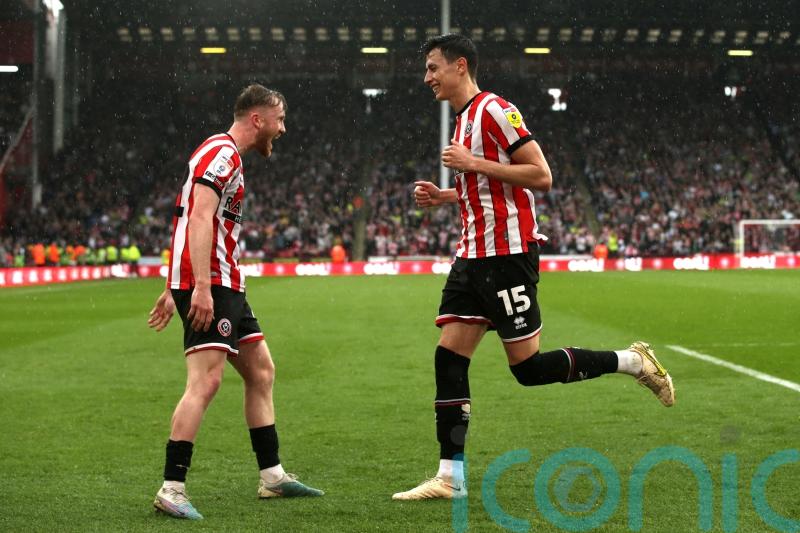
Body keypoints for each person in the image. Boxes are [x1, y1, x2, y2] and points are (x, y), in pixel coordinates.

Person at [392, 35, 675, 501]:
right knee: (448, 358)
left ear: (460, 66)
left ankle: (632, 361)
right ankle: (449, 479)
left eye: (432, 67)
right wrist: (447, 195)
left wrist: (472, 162)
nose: (427, 77)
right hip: (471, 257)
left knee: (528, 369)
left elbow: (541, 175)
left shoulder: (495, 111)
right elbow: (486, 187)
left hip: (506, 258)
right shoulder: (462, 122)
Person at [147, 84, 324, 520]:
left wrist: (176, 285)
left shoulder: (223, 155)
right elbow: (201, 217)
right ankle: (172, 488)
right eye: (279, 119)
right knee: (205, 382)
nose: (283, 129)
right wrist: (198, 287)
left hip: (225, 282)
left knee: (261, 370)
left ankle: (273, 477)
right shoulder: (221, 154)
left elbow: (186, 216)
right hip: (214, 285)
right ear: (257, 119)